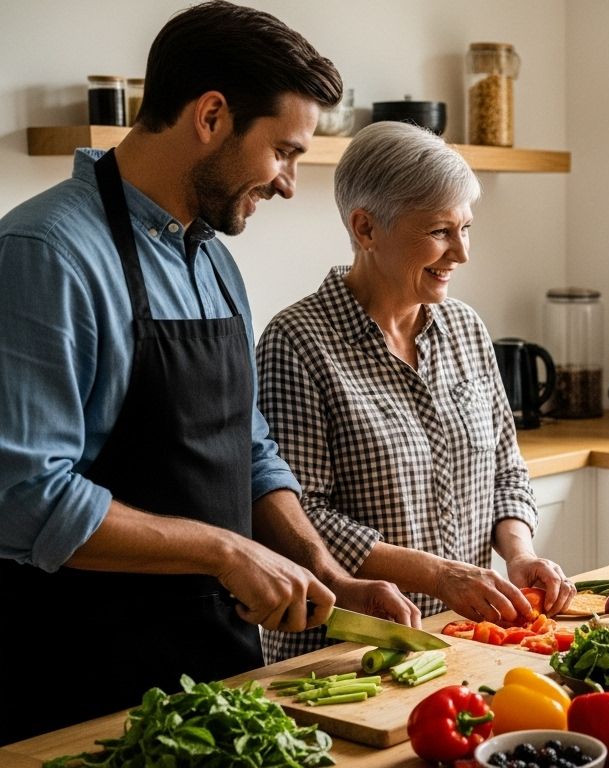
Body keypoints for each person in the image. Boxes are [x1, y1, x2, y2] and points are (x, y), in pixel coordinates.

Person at [0, 1, 420, 742]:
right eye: (284, 151)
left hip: (214, 677)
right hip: (82, 685)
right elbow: (25, 498)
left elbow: (247, 452)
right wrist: (225, 551)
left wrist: (332, 575)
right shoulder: (46, 252)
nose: (291, 182)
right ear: (212, 115)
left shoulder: (216, 261)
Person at [256, 121, 576, 661]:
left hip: (460, 636)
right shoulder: (298, 341)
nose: (461, 253)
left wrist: (518, 552)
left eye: (466, 228)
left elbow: (506, 471)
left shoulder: (466, 329)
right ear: (366, 228)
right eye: (439, 232)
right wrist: (436, 574)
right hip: (348, 647)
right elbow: (300, 516)